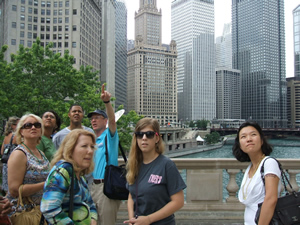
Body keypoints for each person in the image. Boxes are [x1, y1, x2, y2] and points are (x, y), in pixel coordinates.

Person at [124, 118, 186, 225]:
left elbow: (178, 202)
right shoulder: (133, 165)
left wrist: (148, 219)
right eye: (140, 134)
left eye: (149, 134)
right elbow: (131, 196)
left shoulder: (166, 165)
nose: (144, 138)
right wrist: (132, 219)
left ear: (157, 138)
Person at [41, 129, 97, 225]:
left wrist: (93, 219)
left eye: (92, 147)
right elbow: (49, 208)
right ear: (70, 149)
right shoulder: (63, 170)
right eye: (84, 146)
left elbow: (90, 203)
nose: (90, 151)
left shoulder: (80, 175)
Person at [232, 122, 281, 225]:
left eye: (253, 134)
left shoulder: (269, 163)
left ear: (262, 140)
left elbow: (271, 199)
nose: (249, 139)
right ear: (240, 145)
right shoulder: (250, 168)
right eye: (243, 137)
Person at [87, 84, 120, 225]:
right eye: (92, 118)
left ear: (105, 121)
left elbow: (113, 121)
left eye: (97, 117)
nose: (93, 120)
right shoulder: (90, 140)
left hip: (106, 187)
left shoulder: (109, 136)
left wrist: (107, 102)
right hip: (91, 186)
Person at [6, 113, 50, 214]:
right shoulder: (19, 154)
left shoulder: (41, 153)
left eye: (37, 125)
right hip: (24, 213)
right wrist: (46, 184)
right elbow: (14, 190)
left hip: (40, 212)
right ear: (21, 131)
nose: (33, 127)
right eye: (28, 125)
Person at [1, 116, 20, 194]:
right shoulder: (16, 136)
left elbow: (2, 152)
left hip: (5, 165)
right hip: (14, 165)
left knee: (6, 189)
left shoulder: (6, 137)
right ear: (13, 125)